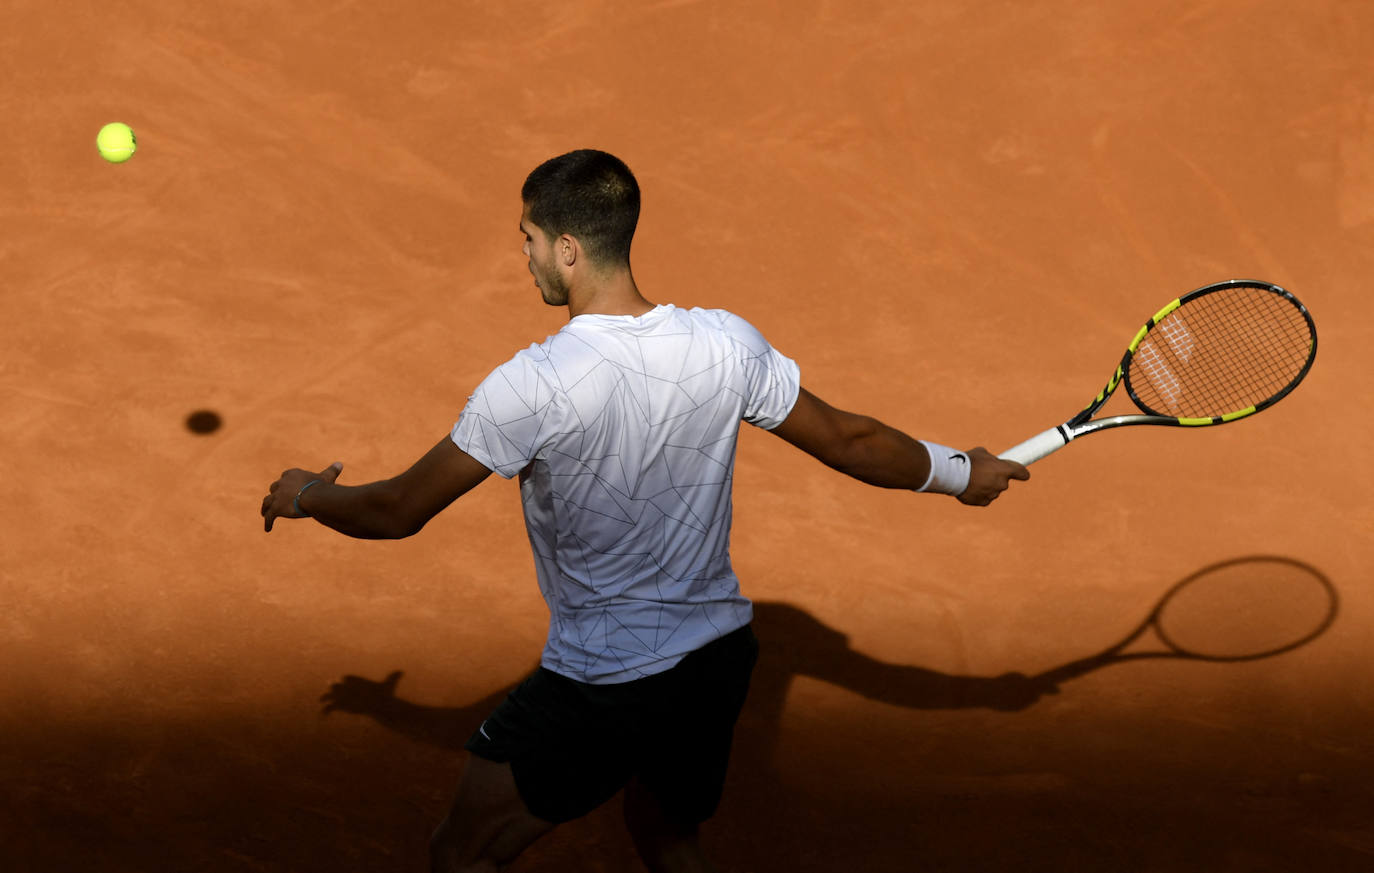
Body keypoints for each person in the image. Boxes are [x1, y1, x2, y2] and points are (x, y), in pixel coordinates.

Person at [261, 149, 1029, 873]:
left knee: (461, 854)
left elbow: (398, 508)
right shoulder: (727, 343)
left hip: (601, 681)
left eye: (527, 239)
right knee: (665, 832)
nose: (522, 256)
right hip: (717, 661)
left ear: (567, 249)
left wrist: (307, 494)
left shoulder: (531, 384)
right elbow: (850, 439)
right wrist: (961, 472)